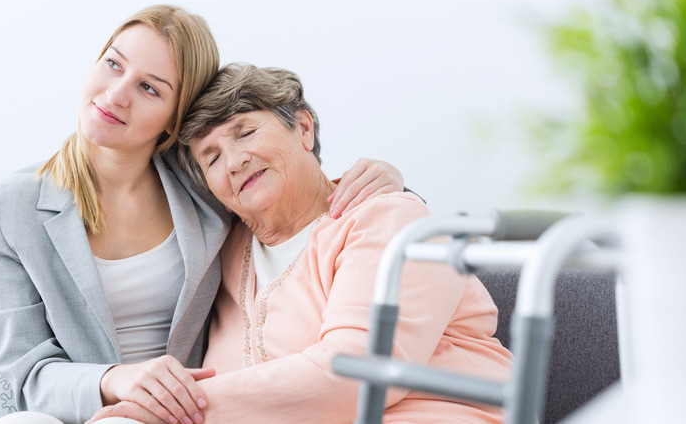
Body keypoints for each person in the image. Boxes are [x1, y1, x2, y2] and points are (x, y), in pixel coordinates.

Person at [0, 6, 405, 424]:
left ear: (176, 119)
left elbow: (297, 192)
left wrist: (387, 177)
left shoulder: (208, 185)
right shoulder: (1, 212)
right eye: (114, 64)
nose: (115, 95)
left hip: (195, 409)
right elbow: (30, 375)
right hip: (89, 410)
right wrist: (117, 379)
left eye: (149, 87)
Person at [89, 63, 513, 424]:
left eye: (246, 132)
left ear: (304, 128)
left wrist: (165, 412)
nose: (235, 161)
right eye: (212, 157)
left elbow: (357, 373)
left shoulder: (384, 218)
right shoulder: (222, 251)